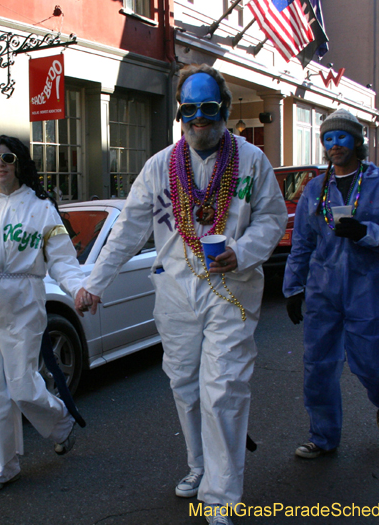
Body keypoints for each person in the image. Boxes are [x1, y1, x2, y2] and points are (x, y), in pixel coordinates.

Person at [75, 64, 287, 523]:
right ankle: (199, 467)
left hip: (231, 291)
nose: (198, 118)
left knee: (223, 390)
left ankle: (221, 496)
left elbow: (272, 218)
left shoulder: (251, 161)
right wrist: (95, 282)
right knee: (186, 388)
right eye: (188, 110)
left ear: (225, 111)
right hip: (174, 293)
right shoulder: (159, 167)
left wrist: (244, 251)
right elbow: (129, 229)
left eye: (208, 109)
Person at [283, 108, 379, 459]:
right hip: (323, 294)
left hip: (371, 291)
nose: (334, 144)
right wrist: (294, 289)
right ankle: (323, 437)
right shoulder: (315, 189)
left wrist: (366, 232)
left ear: (356, 141)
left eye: (341, 137)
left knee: (373, 363)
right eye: (328, 138)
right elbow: (301, 244)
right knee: (318, 367)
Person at [0, 135, 84, 494]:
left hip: (22, 302)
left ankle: (60, 423)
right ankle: (5, 464)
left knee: (21, 385)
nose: (0, 164)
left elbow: (62, 258)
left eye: (7, 158)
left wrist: (77, 289)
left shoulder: (41, 208)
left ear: (20, 163)